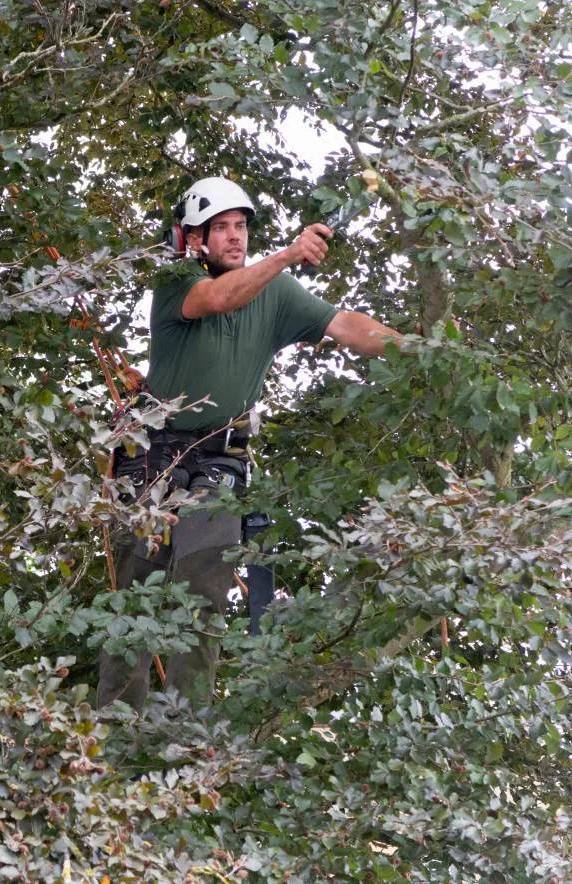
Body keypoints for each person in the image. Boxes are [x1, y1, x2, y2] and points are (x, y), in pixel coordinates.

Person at [97, 176, 401, 710]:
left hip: (218, 459)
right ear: (194, 238)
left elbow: (343, 325)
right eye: (221, 228)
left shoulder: (274, 293)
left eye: (240, 226)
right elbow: (216, 298)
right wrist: (287, 255)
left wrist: (417, 349)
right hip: (152, 458)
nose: (235, 237)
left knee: (205, 593)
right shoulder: (176, 280)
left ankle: (186, 735)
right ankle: (111, 730)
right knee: (135, 601)